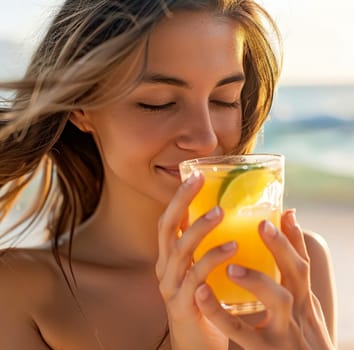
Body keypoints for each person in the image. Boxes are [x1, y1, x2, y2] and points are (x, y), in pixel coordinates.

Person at [0, 0, 336, 349]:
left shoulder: (293, 271)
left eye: (224, 99)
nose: (205, 138)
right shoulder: (18, 293)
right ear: (81, 108)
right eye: (158, 102)